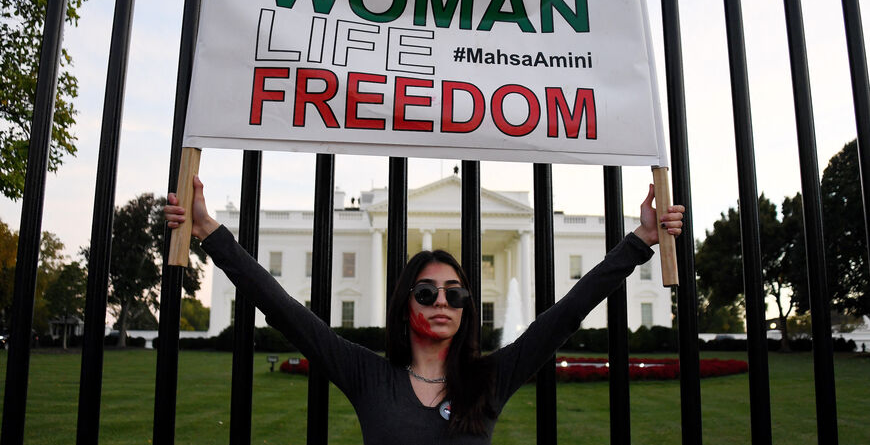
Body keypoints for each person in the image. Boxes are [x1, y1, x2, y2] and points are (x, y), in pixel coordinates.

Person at [165, 176, 684, 444]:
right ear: (404, 303)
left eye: (456, 293)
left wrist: (640, 240)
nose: (443, 301)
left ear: (466, 308)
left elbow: (568, 312)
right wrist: (211, 233)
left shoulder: (489, 379)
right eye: (427, 291)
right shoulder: (369, 376)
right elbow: (284, 311)